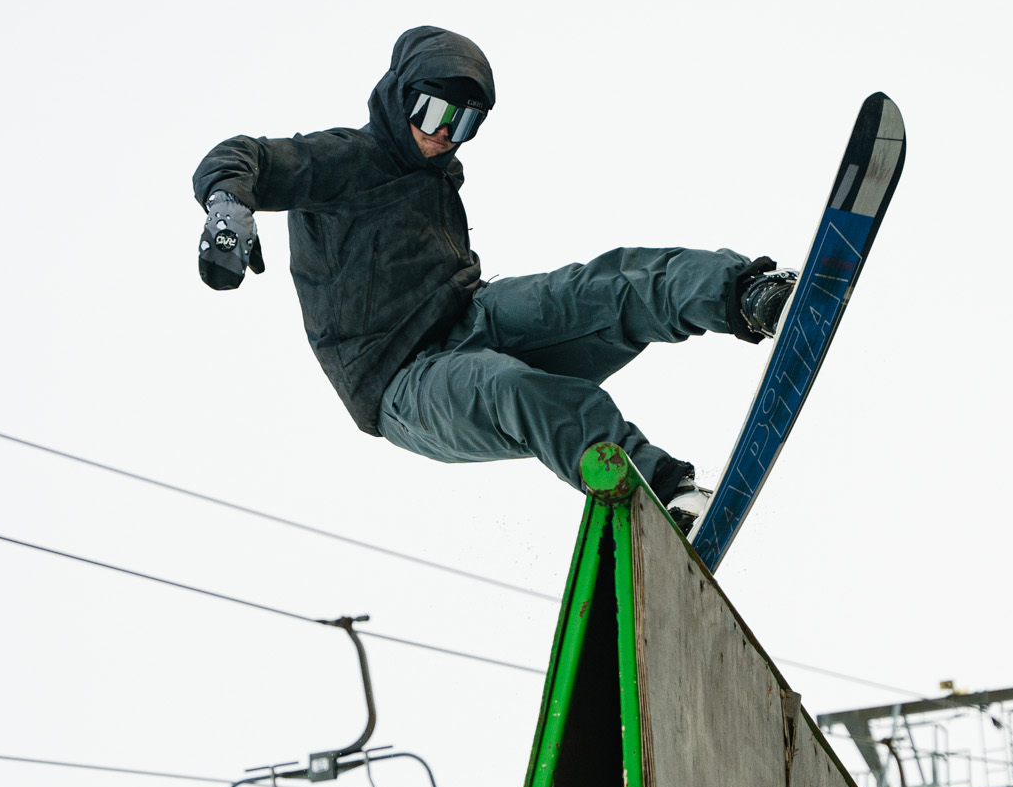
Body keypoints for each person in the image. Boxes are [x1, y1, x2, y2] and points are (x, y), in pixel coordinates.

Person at [192, 27, 793, 524]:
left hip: (471, 314)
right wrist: (228, 208)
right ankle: (660, 496)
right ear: (399, 97)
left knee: (599, 288)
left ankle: (748, 295)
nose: (443, 136)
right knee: (515, 389)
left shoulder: (440, 173)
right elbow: (245, 156)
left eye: (465, 124)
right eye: (431, 112)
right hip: (399, 381)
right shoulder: (343, 160)